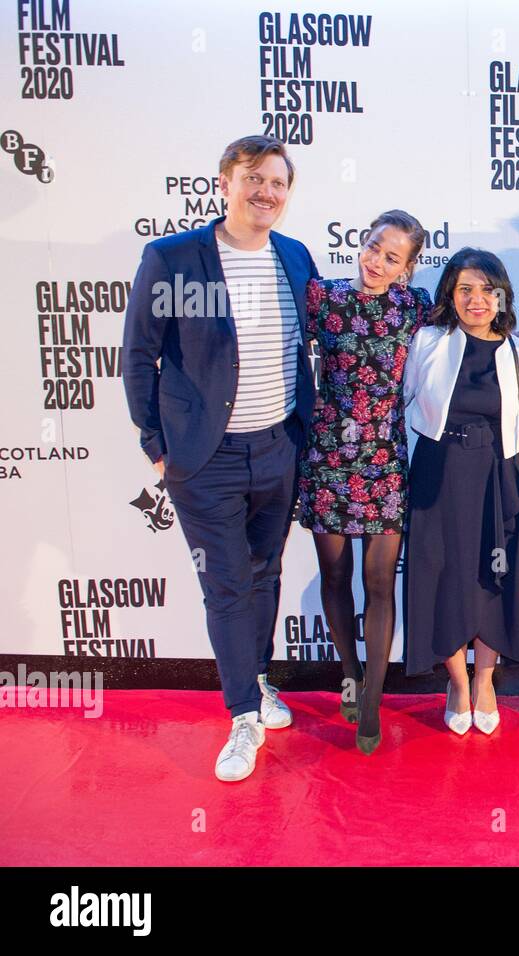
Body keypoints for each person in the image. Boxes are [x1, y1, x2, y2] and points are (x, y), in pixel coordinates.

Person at [122, 135, 316, 782]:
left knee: (264, 572)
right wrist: (157, 448)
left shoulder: (295, 257)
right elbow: (138, 355)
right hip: (204, 458)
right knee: (227, 583)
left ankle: (256, 680)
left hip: (280, 447)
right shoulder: (173, 258)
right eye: (253, 178)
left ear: (288, 196)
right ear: (224, 184)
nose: (266, 192)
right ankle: (242, 715)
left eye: (277, 183)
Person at [296, 210, 432, 755]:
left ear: (408, 269)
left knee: (380, 585)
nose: (378, 261)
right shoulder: (322, 299)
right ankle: (349, 676)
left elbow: (477, 319)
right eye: (375, 247)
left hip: (384, 463)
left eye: (392, 257)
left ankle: (372, 701)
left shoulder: (415, 308)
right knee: (335, 577)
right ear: (363, 242)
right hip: (327, 459)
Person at [403, 248, 519, 736]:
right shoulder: (427, 342)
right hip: (437, 475)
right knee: (441, 577)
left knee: (493, 579)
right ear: (450, 294)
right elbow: (400, 404)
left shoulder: (517, 352)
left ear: (502, 294)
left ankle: (485, 680)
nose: (476, 299)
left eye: (487, 289)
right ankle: (457, 683)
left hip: (496, 476)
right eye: (465, 289)